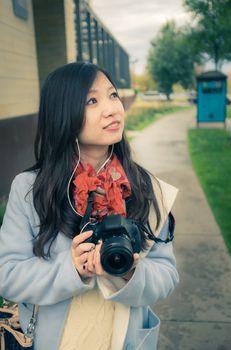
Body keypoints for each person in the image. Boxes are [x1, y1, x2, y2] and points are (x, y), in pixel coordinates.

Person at [0, 62, 179, 350]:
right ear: (63, 113)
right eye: (92, 101)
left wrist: (131, 273)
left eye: (113, 95)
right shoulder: (31, 189)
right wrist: (72, 269)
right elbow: (6, 274)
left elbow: (167, 274)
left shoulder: (148, 188)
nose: (111, 109)